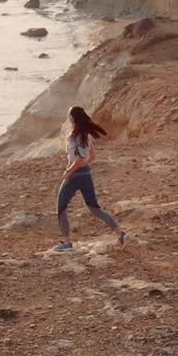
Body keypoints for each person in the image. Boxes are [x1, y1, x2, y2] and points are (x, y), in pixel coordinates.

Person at [55, 106, 127, 251]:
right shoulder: (86, 135)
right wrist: (82, 165)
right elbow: (92, 156)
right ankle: (121, 234)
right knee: (95, 209)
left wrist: (68, 172)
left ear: (72, 119)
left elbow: (78, 160)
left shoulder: (73, 137)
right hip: (86, 174)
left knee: (61, 207)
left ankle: (67, 243)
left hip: (74, 176)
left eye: (69, 115)